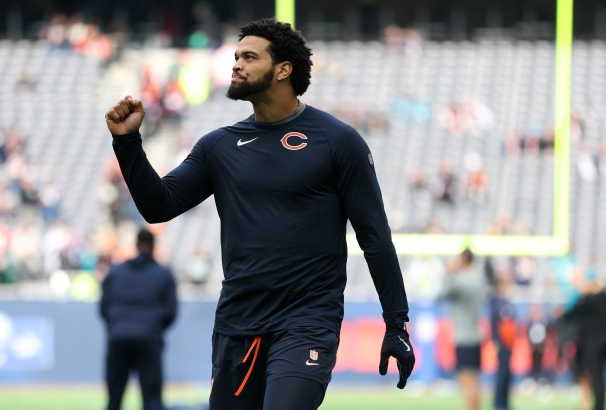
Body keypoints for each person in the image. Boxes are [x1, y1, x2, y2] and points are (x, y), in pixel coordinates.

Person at [105, 18, 414, 410]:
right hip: (237, 325)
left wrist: (396, 322)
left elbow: (375, 237)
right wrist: (128, 143)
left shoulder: (338, 141)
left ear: (283, 69)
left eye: (249, 57)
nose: (236, 64)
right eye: (236, 56)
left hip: (307, 323)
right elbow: (158, 206)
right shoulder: (219, 146)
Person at [99, 227, 178, 410]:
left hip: (118, 337)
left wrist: (117, 326)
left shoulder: (115, 272)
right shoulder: (163, 274)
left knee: (114, 399)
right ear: (153, 246)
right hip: (149, 337)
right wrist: (154, 327)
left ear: (136, 245)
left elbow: (104, 308)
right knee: (152, 400)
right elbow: (171, 312)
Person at [438, 248, 487, 410]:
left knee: (466, 381)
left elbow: (441, 295)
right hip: (475, 335)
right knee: (474, 380)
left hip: (463, 338)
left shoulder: (461, 281)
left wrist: (449, 274)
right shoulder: (479, 279)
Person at [557, 279, 606, 410]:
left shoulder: (588, 301)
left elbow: (571, 314)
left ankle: (598, 406)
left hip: (592, 344)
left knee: (595, 377)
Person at [489, 267, 516, 410]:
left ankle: (505, 402)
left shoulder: (506, 301)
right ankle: (499, 403)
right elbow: (494, 324)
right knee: (502, 373)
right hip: (501, 342)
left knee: (507, 373)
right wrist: (495, 341)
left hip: (509, 343)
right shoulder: (496, 301)